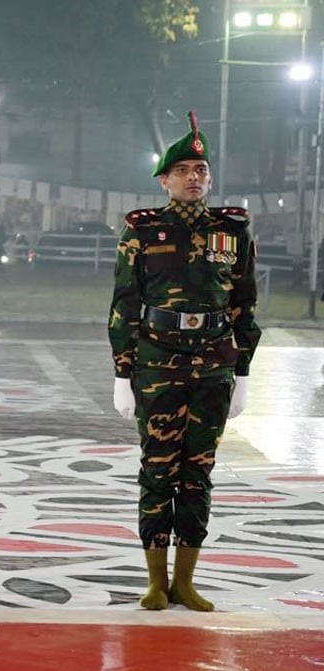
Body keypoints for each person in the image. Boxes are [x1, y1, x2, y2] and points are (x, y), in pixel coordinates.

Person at [108, 111, 261, 612]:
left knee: (199, 472)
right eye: (185, 171)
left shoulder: (232, 233)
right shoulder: (143, 233)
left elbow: (243, 304)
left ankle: (186, 581)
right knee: (157, 470)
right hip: (158, 363)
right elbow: (124, 305)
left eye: (202, 170)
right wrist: (122, 372)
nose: (195, 178)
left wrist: (242, 373)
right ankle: (155, 581)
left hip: (213, 365)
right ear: (165, 180)